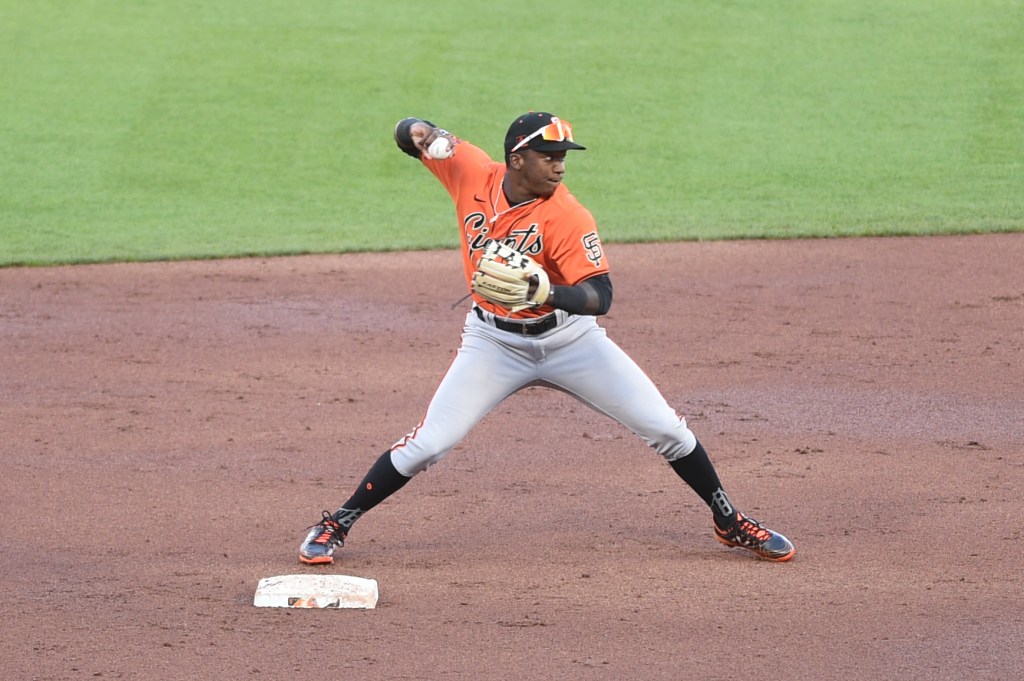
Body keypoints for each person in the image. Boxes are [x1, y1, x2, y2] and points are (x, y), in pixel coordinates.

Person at [299, 112, 795, 565]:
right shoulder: (470, 169)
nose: (560, 168)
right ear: (517, 159)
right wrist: (423, 135)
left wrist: (546, 290)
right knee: (428, 445)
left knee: (666, 429)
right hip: (492, 344)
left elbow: (601, 296)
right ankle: (335, 523)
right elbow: (410, 130)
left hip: (570, 342)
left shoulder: (568, 215)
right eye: (550, 157)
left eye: (563, 158)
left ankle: (728, 521)